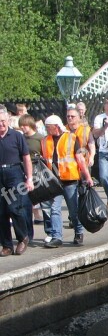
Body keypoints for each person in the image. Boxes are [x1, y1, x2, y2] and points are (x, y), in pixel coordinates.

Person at [41, 115, 93, 247]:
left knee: (73, 210)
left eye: (48, 127)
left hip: (69, 180)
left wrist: (87, 177)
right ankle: (57, 237)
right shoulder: (45, 140)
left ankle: (79, 232)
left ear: (56, 126)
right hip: (54, 181)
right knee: (54, 209)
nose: (47, 129)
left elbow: (80, 159)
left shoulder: (71, 138)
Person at [0, 107, 34, 256]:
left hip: (14, 173)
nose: (1, 124)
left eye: (3, 121)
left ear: (7, 120)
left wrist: (29, 178)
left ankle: (22, 237)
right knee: (1, 212)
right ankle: (7, 245)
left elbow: (26, 157)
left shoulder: (16, 136)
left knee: (15, 208)